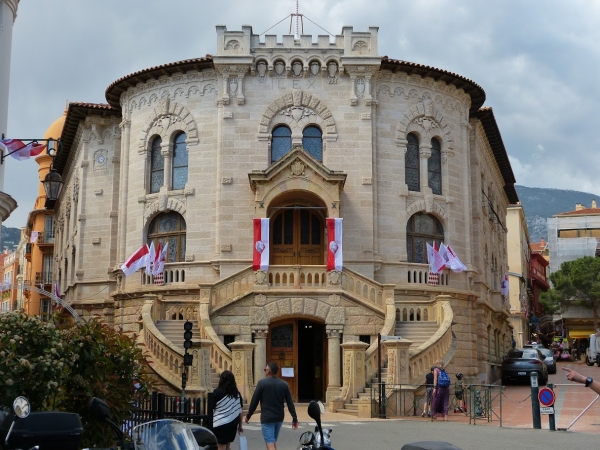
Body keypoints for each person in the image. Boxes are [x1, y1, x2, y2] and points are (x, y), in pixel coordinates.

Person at [245, 361, 299, 450]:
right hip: (279, 417)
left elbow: (255, 401)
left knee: (270, 444)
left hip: (267, 418)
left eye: (265, 369)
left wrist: (248, 415)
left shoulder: (262, 383)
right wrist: (294, 418)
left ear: (268, 371)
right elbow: (290, 403)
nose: (265, 371)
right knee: (272, 442)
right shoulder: (284, 384)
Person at [212, 370, 243, 450]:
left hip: (220, 424)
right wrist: (240, 425)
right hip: (232, 424)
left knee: (221, 446)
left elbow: (210, 409)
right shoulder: (237, 394)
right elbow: (240, 411)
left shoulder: (217, 393)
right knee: (228, 446)